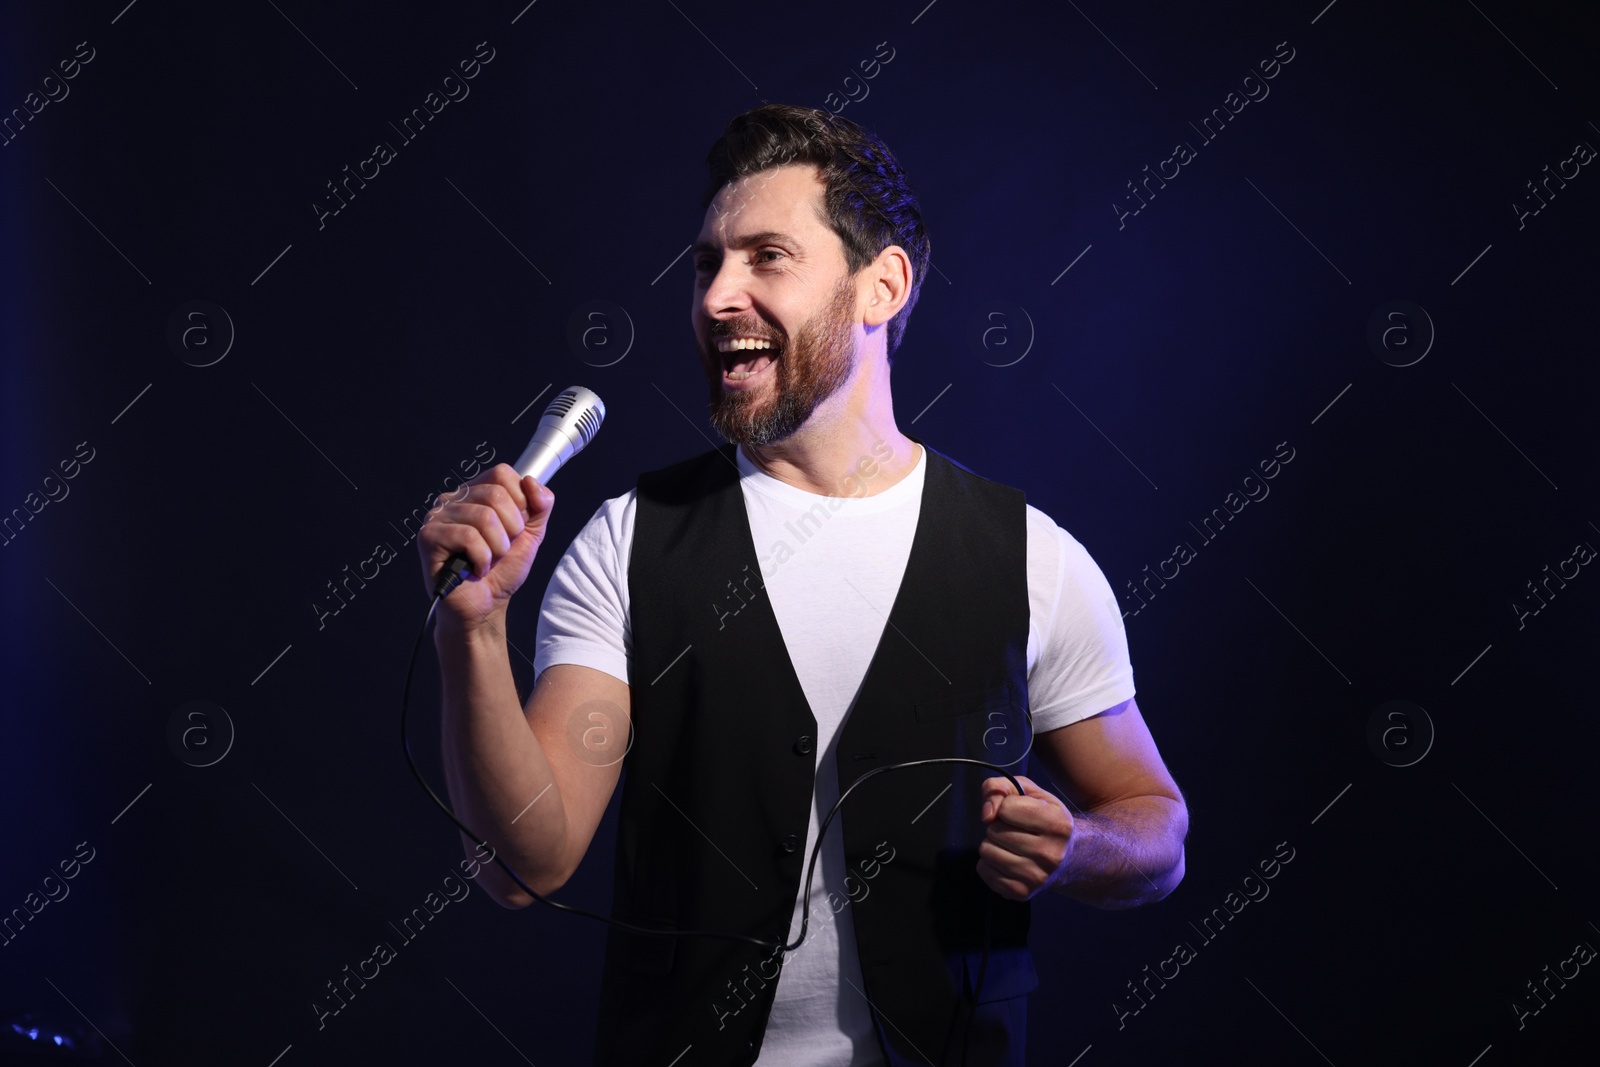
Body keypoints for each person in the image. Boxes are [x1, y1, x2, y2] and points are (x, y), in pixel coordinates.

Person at [416, 103, 1188, 1067]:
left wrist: (1075, 846)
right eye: (707, 264)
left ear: (882, 286)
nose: (715, 296)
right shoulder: (629, 543)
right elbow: (526, 865)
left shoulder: (1033, 555)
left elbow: (1157, 831)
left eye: (766, 256)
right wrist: (475, 633)